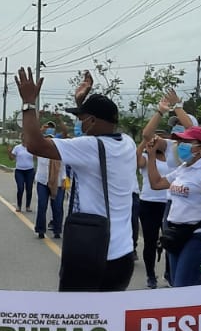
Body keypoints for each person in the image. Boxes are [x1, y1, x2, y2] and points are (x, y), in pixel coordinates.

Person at [16, 68, 138, 292]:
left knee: (76, 322)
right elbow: (96, 129)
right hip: (122, 255)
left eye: (80, 119)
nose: (78, 124)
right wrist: (82, 101)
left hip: (91, 254)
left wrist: (28, 103)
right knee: (108, 321)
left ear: (91, 120)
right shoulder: (127, 143)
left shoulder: (89, 147)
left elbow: (34, 144)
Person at [142, 126, 201, 288]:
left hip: (197, 235)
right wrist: (151, 155)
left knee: (184, 285)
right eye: (180, 141)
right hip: (176, 234)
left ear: (200, 148)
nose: (180, 145)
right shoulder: (183, 169)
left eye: (186, 142)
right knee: (177, 284)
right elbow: (157, 183)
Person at [34, 119, 67, 240]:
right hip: (42, 181)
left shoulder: (59, 153)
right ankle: (40, 230)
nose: (48, 141)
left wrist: (64, 179)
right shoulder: (40, 151)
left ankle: (57, 230)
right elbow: (32, 139)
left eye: (51, 139)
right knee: (42, 205)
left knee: (57, 206)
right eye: (46, 139)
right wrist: (41, 130)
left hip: (57, 182)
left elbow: (63, 167)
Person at [10, 138, 36, 211]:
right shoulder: (17, 148)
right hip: (19, 171)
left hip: (30, 171)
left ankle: (28, 206)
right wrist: (9, 153)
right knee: (20, 188)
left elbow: (36, 158)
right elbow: (11, 158)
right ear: (22, 139)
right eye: (24, 137)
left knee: (29, 189)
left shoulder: (31, 147)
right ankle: (19, 205)